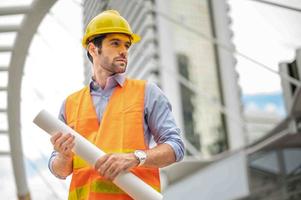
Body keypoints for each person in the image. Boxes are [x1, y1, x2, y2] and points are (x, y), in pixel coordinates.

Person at [48, 10, 184, 200]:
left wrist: (135, 158)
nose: (124, 51)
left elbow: (176, 147)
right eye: (115, 43)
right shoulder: (70, 104)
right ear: (93, 49)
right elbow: (60, 171)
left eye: (127, 45)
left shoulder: (147, 92)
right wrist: (63, 156)